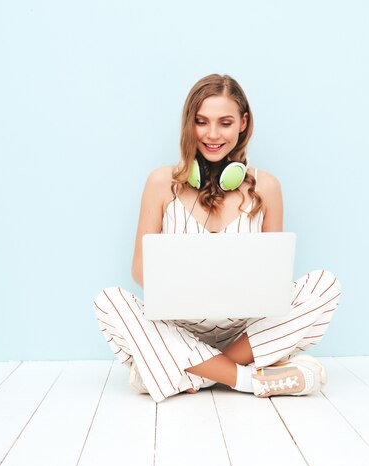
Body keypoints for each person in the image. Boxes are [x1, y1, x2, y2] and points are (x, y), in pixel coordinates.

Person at [92, 74, 342, 403]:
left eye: (224, 122)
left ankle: (178, 369)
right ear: (188, 124)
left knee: (325, 285)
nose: (212, 134)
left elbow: (275, 276)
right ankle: (247, 379)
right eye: (201, 122)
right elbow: (140, 270)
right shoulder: (161, 183)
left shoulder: (267, 188)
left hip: (247, 334)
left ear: (243, 123)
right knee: (110, 302)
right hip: (176, 328)